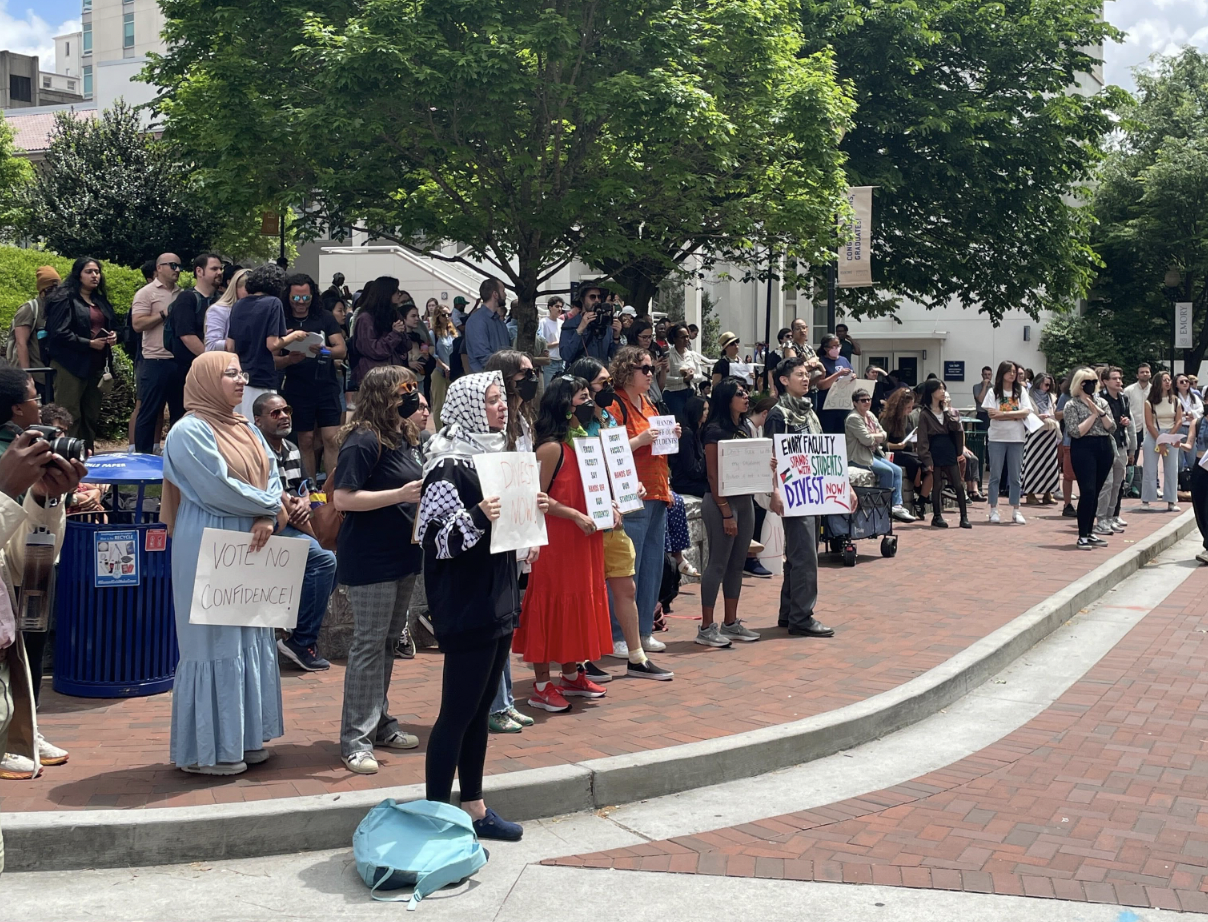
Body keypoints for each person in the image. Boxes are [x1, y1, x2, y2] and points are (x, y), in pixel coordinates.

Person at [418, 372, 547, 842]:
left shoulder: (495, 458)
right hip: (467, 602)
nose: (501, 407)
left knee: (478, 712)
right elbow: (432, 539)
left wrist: (530, 516)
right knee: (456, 712)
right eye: (492, 401)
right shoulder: (448, 465)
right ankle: (434, 819)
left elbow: (505, 530)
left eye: (501, 400)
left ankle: (473, 807)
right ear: (470, 406)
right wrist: (478, 515)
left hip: (498, 597)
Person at [161, 353, 286, 775]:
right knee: (214, 640)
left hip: (252, 537)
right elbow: (215, 489)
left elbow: (272, 474)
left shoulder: (246, 427)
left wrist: (268, 515)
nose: (239, 379)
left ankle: (245, 739)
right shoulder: (188, 431)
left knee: (249, 634)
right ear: (205, 381)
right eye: (229, 373)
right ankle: (208, 751)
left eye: (240, 372)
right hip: (209, 541)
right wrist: (271, 505)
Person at [330, 366, 427, 774]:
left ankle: (381, 721)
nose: (414, 396)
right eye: (406, 389)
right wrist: (399, 495)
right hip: (371, 557)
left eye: (415, 388)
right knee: (369, 645)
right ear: (383, 394)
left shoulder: (404, 435)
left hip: (403, 553)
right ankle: (355, 738)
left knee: (388, 641)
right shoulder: (363, 440)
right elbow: (343, 499)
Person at [566, 356, 674, 679]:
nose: (607, 390)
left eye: (607, 384)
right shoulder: (574, 428)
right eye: (601, 384)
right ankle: (581, 658)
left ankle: (636, 656)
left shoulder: (610, 424)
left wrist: (630, 485)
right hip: (588, 517)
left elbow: (616, 461)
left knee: (625, 582)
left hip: (618, 512)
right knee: (589, 586)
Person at [0, 367, 84, 781]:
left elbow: (30, 549)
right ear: (16, 406)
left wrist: (47, 497)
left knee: (27, 654)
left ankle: (25, 729)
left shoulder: (29, 448)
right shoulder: (9, 455)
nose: (39, 402)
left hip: (29, 568)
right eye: (34, 395)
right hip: (10, 576)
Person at [512, 375, 615, 710]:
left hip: (584, 539)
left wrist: (610, 507)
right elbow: (535, 497)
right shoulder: (552, 447)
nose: (590, 402)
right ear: (564, 403)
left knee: (578, 604)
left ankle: (571, 673)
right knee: (550, 604)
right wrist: (574, 515)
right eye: (583, 397)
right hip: (556, 541)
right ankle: (542, 684)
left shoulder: (583, 442)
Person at [252, 393, 338, 673]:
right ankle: (302, 641)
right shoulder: (255, 449)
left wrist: (305, 502)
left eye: (286, 410)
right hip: (269, 525)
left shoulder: (291, 449)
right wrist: (306, 521)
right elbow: (273, 498)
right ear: (258, 420)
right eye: (275, 413)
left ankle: (297, 620)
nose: (284, 416)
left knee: (339, 553)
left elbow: (309, 491)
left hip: (296, 519)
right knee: (325, 557)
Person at [481, 350, 541, 728]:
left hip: (520, 529)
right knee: (497, 619)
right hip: (496, 529)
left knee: (509, 619)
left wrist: (533, 532)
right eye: (524, 374)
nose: (531, 378)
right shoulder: (491, 425)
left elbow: (528, 476)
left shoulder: (522, 419)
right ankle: (494, 705)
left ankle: (503, 700)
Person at [611, 346, 680, 654]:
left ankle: (642, 630)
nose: (651, 373)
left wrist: (670, 434)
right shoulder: (616, 404)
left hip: (656, 490)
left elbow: (656, 442)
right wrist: (641, 439)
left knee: (651, 565)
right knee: (629, 568)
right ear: (628, 371)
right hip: (632, 493)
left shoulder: (648, 402)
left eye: (651, 368)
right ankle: (618, 634)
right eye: (645, 369)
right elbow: (610, 446)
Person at [765, 356, 834, 638]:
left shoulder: (809, 411)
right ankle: (802, 617)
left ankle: (789, 613)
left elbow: (824, 452)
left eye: (807, 375)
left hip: (813, 490)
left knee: (799, 555)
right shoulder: (778, 415)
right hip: (794, 491)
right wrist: (775, 491)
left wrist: (845, 486)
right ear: (784, 381)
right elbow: (771, 456)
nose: (806, 379)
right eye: (799, 375)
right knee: (804, 555)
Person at [696, 377, 760, 646]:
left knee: (737, 564)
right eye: (739, 393)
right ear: (726, 399)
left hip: (745, 501)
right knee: (718, 564)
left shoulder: (745, 426)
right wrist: (725, 513)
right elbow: (713, 475)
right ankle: (706, 628)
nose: (746, 397)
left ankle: (731, 623)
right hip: (721, 501)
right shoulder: (714, 430)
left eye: (746, 392)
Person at [277, 273, 347, 481]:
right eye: (296, 298)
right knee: (305, 440)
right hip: (297, 385)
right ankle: (311, 488)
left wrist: (324, 350)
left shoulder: (323, 316)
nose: (301, 303)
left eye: (305, 298)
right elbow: (272, 356)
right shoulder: (282, 318)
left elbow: (341, 349)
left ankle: (333, 490)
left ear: (312, 296)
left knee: (332, 438)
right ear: (288, 296)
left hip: (325, 384)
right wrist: (288, 356)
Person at [43, 257, 118, 450]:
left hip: (96, 365)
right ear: (78, 274)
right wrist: (89, 343)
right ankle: (66, 454)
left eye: (97, 272)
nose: (95, 275)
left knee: (91, 414)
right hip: (70, 364)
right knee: (69, 414)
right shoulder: (64, 298)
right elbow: (58, 332)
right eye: (89, 271)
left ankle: (87, 455)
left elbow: (113, 325)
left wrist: (113, 336)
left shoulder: (100, 301)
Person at [226, 264, 308, 420]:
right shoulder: (273, 303)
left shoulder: (238, 305)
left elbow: (230, 345)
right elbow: (273, 344)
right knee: (263, 428)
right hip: (262, 377)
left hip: (240, 376)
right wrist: (295, 335)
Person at [130, 253, 185, 453]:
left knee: (180, 412)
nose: (177, 270)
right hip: (155, 360)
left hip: (179, 360)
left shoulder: (183, 294)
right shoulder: (146, 293)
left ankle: (177, 455)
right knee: (149, 411)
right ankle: (141, 458)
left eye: (179, 266)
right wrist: (164, 314)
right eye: (172, 265)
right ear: (159, 267)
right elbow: (137, 324)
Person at [1062, 367, 1117, 549]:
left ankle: (1090, 532)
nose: (1092, 385)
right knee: (1087, 490)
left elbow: (1111, 427)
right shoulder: (1072, 405)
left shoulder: (1102, 402)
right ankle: (1082, 534)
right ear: (1079, 384)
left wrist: (1100, 411)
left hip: (1103, 447)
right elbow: (1076, 431)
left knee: (1097, 490)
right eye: (1088, 382)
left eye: (1095, 381)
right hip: (1084, 448)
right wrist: (1093, 414)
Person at [845, 388, 916, 522]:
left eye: (868, 399)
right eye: (863, 400)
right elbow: (866, 440)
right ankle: (884, 506)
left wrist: (874, 436)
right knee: (887, 471)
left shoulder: (870, 416)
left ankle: (896, 505)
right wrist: (876, 436)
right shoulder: (853, 418)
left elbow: (883, 435)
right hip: (858, 457)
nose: (867, 402)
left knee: (897, 470)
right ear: (855, 403)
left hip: (872, 453)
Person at [982, 359, 1033, 524]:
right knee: (995, 475)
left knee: (1015, 476)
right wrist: (1014, 414)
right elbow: (991, 413)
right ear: (1002, 373)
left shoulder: (1020, 391)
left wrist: (1003, 414)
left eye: (1015, 372)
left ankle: (1016, 509)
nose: (1013, 374)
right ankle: (993, 509)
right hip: (997, 437)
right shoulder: (993, 392)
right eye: (1010, 371)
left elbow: (1025, 412)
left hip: (1016, 437)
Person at [915, 380, 970, 528]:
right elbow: (922, 438)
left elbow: (956, 428)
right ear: (931, 392)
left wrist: (946, 410)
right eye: (939, 389)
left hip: (949, 447)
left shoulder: (949, 411)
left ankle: (964, 517)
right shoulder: (925, 414)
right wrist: (927, 459)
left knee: (958, 483)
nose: (942, 391)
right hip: (935, 449)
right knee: (937, 484)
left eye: (943, 388)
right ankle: (937, 516)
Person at [7, 266, 60, 398]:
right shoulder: (29, 309)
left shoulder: (57, 308)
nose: (54, 291)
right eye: (50, 287)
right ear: (42, 289)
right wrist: (27, 376)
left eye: (57, 286)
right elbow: (21, 343)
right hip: (36, 375)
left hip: (53, 375)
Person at [170, 252, 222, 379]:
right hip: (189, 371)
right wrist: (211, 360)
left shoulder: (220, 299)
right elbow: (187, 335)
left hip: (215, 370)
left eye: (221, 268)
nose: (220, 272)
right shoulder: (186, 298)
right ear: (199, 271)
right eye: (214, 269)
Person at [350, 276, 409, 386]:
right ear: (387, 293)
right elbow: (374, 350)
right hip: (374, 378)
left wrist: (402, 333)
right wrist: (394, 334)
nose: (399, 294)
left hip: (394, 375)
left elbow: (405, 347)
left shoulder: (393, 314)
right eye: (396, 291)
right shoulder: (365, 319)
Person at [1096, 366, 1133, 536]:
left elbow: (1127, 419)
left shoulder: (1123, 398)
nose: (1118, 381)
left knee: (1117, 483)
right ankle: (1101, 519)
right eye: (1114, 378)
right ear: (1104, 382)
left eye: (1119, 378)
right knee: (1107, 483)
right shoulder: (1099, 400)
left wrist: (1125, 422)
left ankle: (1111, 517)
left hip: (1121, 443)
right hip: (1106, 445)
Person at [1142, 370, 1182, 512]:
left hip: (1171, 435)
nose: (1168, 382)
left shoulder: (1176, 400)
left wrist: (1168, 437)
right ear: (1158, 382)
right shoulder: (1149, 402)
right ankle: (1147, 499)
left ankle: (1171, 500)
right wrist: (1160, 439)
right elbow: (1149, 423)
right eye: (1164, 380)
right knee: (1150, 468)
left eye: (1169, 380)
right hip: (1154, 435)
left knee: (1171, 469)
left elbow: (1178, 421)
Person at [1021, 372, 1060, 505]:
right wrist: (1038, 417)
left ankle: (1048, 492)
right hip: (1034, 432)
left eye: (1050, 384)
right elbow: (1027, 413)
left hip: (1050, 432)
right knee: (1033, 463)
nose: (1048, 387)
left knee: (1050, 464)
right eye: (1046, 384)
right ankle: (1031, 493)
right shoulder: (1028, 396)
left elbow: (1054, 411)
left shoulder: (1052, 397)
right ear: (1039, 383)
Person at [559, 286, 618, 366]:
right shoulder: (571, 324)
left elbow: (616, 357)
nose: (597, 300)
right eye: (592, 297)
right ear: (582, 299)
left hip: (601, 376)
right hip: (579, 376)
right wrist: (580, 330)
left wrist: (616, 337)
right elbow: (566, 355)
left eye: (599, 297)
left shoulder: (605, 324)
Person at [464, 277, 513, 372]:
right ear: (495, 294)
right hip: (485, 382)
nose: (505, 295)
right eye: (503, 291)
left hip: (502, 379)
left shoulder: (500, 322)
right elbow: (483, 357)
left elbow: (508, 351)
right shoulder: (476, 320)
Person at [815, 333, 856, 434]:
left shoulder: (843, 360)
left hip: (843, 404)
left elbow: (852, 374)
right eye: (833, 346)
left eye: (838, 345)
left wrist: (853, 377)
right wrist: (838, 374)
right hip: (827, 406)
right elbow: (821, 385)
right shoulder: (821, 361)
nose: (836, 348)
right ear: (826, 348)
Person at [663, 321, 704, 417]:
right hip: (673, 394)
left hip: (690, 392)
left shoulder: (692, 355)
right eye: (682, 337)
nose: (686, 339)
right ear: (674, 339)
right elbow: (665, 379)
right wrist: (683, 379)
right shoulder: (669, 355)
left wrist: (691, 376)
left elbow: (700, 376)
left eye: (687, 336)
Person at [205, 267, 249, 352]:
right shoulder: (219, 310)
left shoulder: (258, 310)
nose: (252, 293)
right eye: (248, 289)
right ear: (235, 287)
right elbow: (211, 345)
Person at [430, 305, 457, 426]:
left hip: (453, 373)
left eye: (449, 315)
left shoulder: (454, 333)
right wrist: (444, 366)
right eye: (443, 315)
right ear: (437, 317)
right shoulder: (433, 334)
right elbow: (432, 354)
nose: (447, 317)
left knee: (453, 404)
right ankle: (439, 432)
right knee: (439, 405)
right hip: (439, 372)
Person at [1175, 373, 1204, 476]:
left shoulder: (1194, 397)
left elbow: (1201, 410)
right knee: (1178, 459)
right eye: (1182, 382)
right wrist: (1184, 416)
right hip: (1178, 428)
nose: (1185, 383)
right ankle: (1180, 483)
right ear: (1176, 384)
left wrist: (1188, 414)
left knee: (1192, 457)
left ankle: (1192, 482)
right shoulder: (1173, 398)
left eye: (1187, 381)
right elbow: (1174, 414)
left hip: (1192, 428)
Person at [538, 298, 565, 385]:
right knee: (548, 390)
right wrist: (559, 343)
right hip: (550, 362)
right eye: (557, 306)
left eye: (561, 307)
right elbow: (542, 345)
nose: (559, 309)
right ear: (550, 307)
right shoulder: (543, 322)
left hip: (562, 362)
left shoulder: (562, 323)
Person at [972, 365, 993, 433]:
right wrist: (984, 386)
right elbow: (980, 400)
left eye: (989, 374)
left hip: (991, 414)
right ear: (982, 375)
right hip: (981, 414)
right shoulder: (976, 387)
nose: (987, 376)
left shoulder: (995, 388)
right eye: (985, 374)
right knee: (980, 434)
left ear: (991, 375)